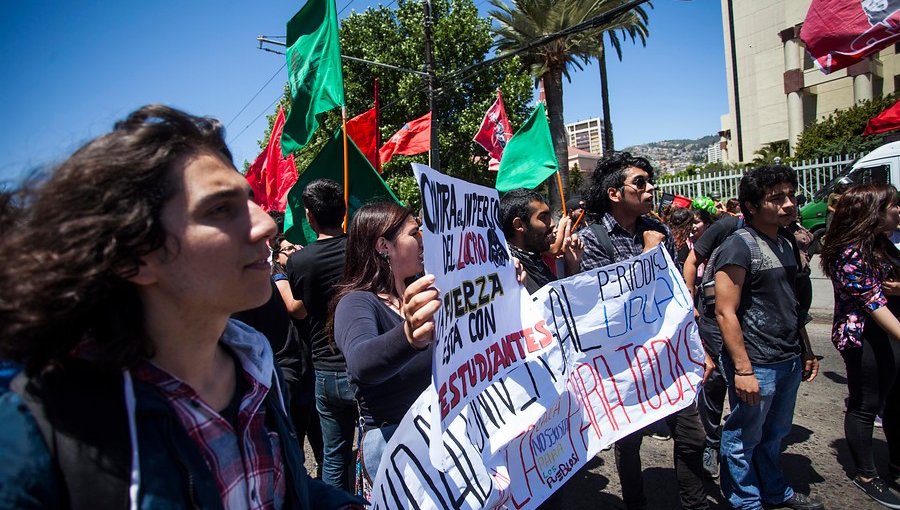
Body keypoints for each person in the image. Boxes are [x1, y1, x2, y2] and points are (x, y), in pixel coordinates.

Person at [0, 105, 363, 509]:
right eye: (220, 209)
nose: (265, 224)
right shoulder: (40, 430)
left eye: (249, 199)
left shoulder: (256, 364)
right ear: (134, 256)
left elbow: (278, 493)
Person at [579, 151, 712, 510]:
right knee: (630, 440)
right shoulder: (591, 239)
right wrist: (647, 257)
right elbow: (607, 305)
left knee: (692, 436)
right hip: (625, 363)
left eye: (650, 180)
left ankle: (695, 504)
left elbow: (671, 296)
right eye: (640, 182)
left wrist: (697, 348)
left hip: (667, 354)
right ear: (615, 194)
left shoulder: (660, 231)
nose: (651, 188)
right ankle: (636, 502)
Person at [714, 165, 822, 510]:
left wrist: (805, 350)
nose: (789, 204)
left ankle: (775, 492)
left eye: (791, 195)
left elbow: (790, 304)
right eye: (777, 198)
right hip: (756, 363)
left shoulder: (786, 241)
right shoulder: (738, 247)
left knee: (774, 435)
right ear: (750, 206)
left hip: (787, 359)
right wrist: (744, 370)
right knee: (742, 437)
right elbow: (724, 311)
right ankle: (746, 501)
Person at [329, 202, 441, 484]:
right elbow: (360, 363)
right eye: (414, 233)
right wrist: (408, 336)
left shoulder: (422, 294)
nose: (423, 239)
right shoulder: (355, 302)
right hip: (400, 455)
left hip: (441, 442)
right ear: (384, 246)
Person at [820, 183, 900, 508]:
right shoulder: (848, 250)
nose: (898, 211)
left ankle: (895, 461)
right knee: (866, 404)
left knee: (894, 399)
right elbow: (874, 302)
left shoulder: (881, 243)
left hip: (888, 332)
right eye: (894, 205)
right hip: (864, 336)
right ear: (874, 212)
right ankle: (866, 474)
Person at [286, 178, 357, 492]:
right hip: (363, 362)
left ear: (310, 216)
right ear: (343, 210)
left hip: (325, 371)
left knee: (334, 455)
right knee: (378, 446)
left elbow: (298, 309)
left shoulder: (299, 261)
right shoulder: (361, 249)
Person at [501, 188, 583, 294]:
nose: (552, 224)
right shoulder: (509, 269)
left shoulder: (536, 262)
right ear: (519, 225)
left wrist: (572, 266)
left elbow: (560, 302)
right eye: (543, 217)